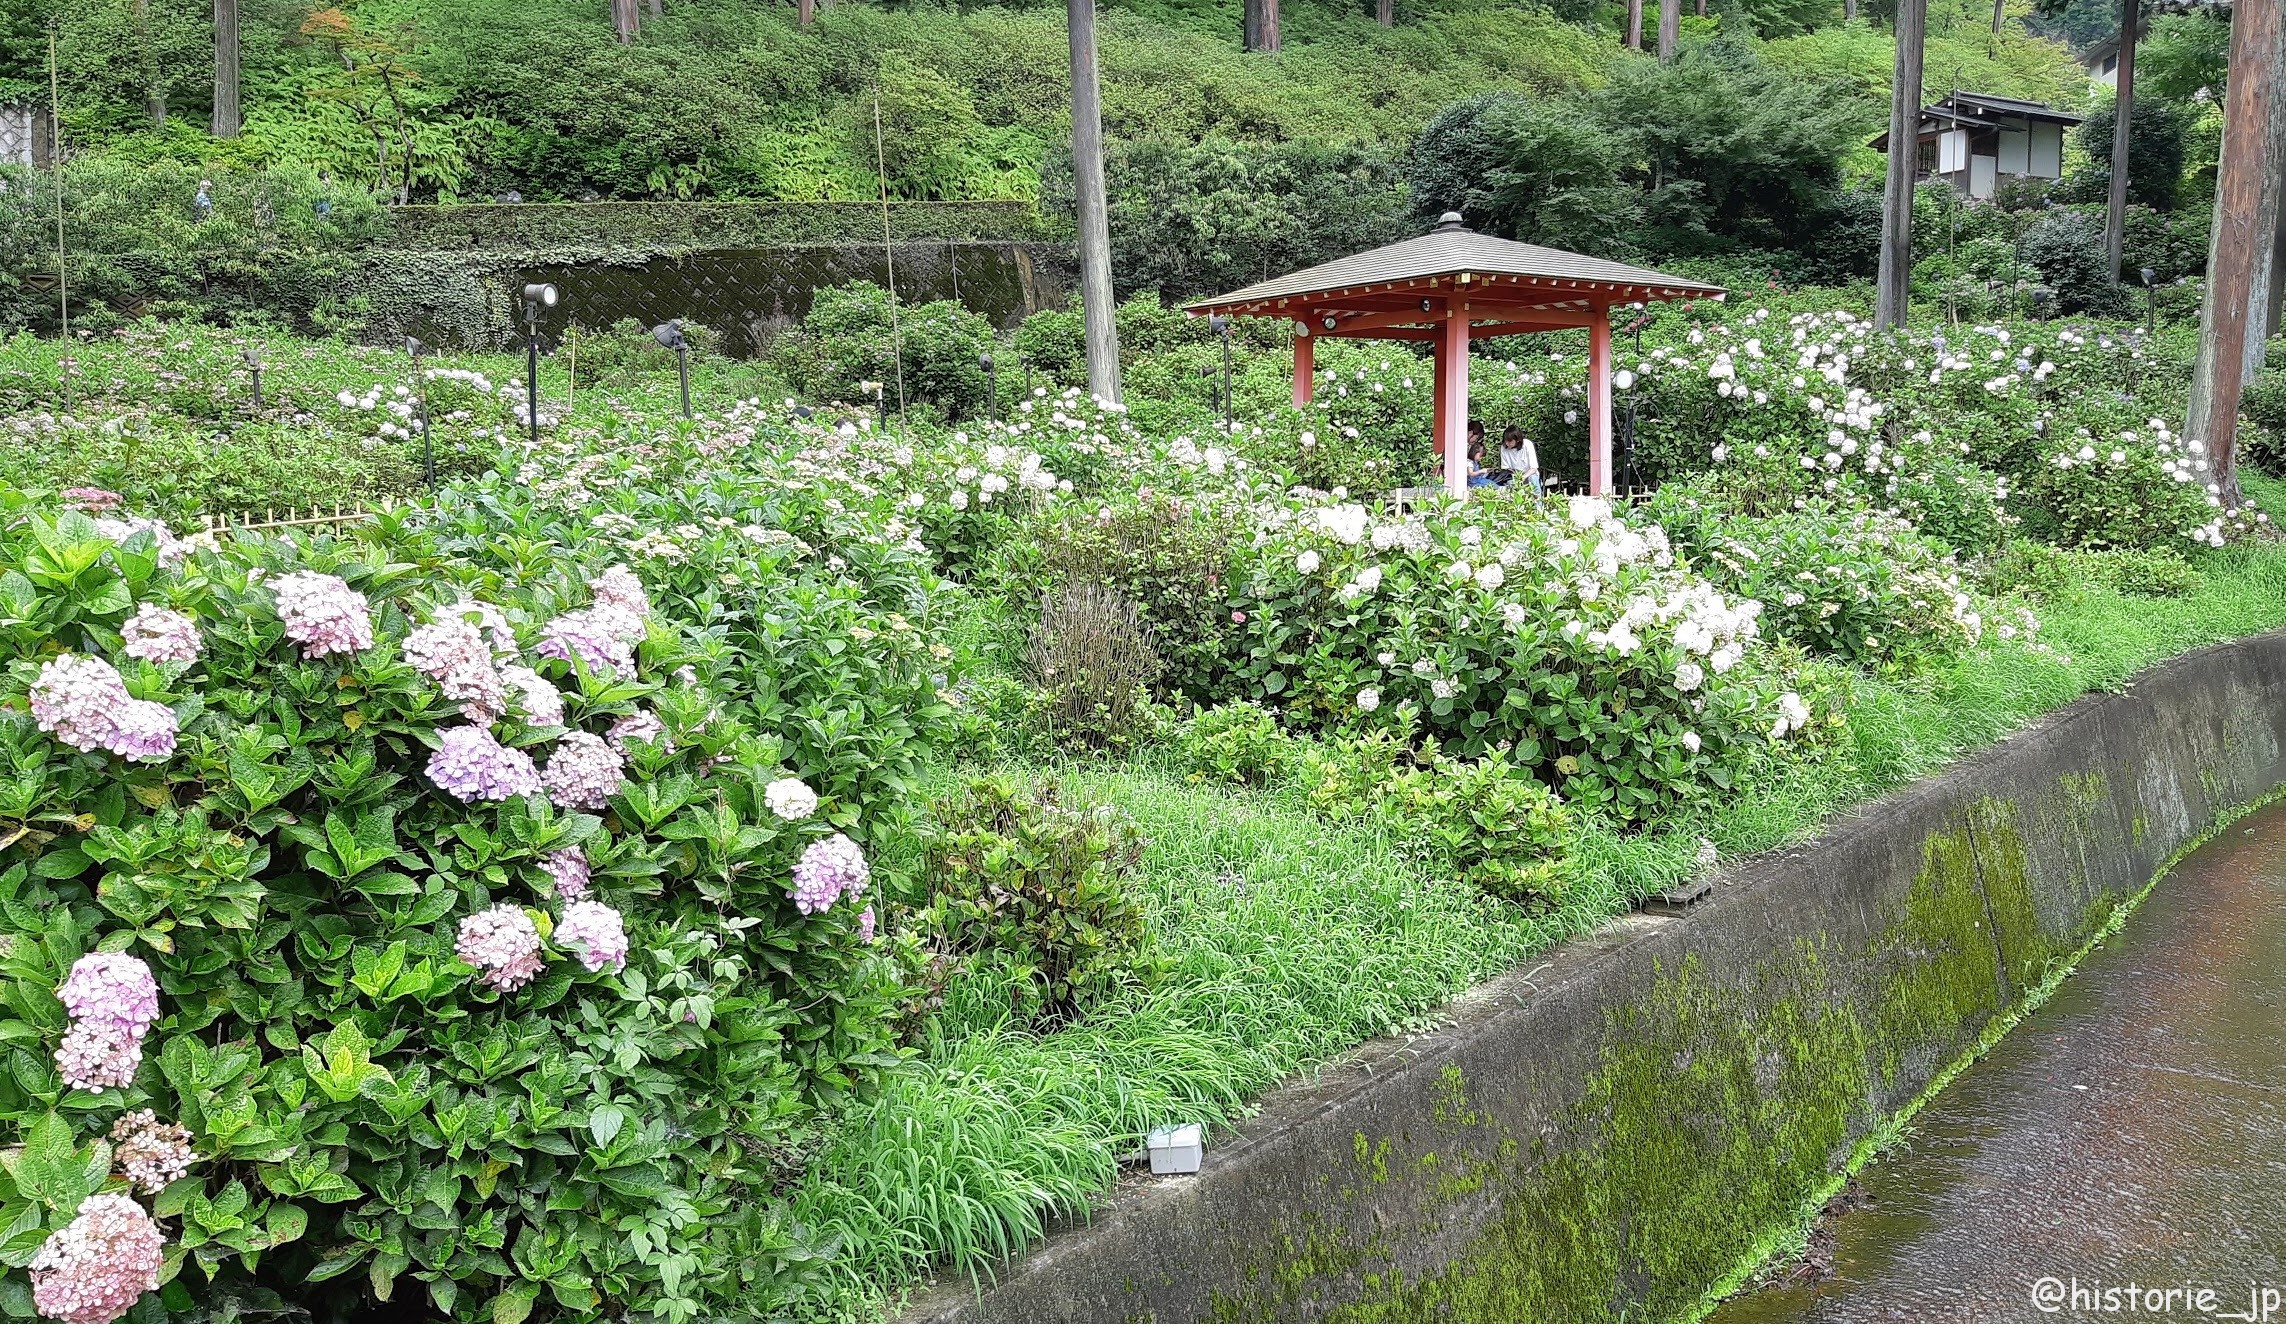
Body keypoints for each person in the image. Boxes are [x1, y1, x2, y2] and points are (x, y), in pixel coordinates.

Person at [1500, 425, 1543, 495]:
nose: (1507, 443)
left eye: (1510, 441)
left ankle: (1539, 504)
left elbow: (1533, 468)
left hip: (1529, 475)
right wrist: (1517, 478)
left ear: (1517, 440)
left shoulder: (1527, 444)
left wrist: (1522, 477)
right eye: (1506, 441)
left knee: (1533, 479)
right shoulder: (1504, 448)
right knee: (1510, 484)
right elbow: (1506, 469)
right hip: (1514, 476)